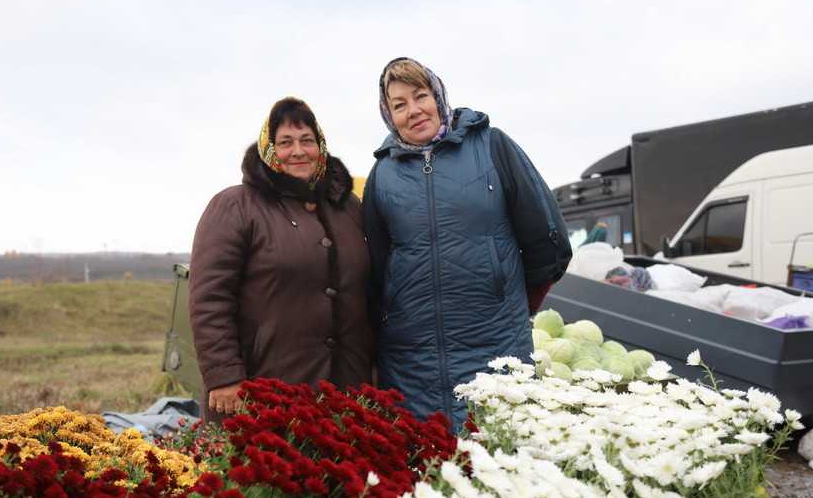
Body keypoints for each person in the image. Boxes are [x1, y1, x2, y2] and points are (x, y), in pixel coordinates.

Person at [363, 58, 572, 430]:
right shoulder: (383, 174)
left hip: (495, 347)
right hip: (413, 364)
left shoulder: (492, 147)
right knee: (423, 472)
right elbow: (377, 267)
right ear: (387, 115)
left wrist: (516, 303)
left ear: (438, 96)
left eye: (420, 96)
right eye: (399, 105)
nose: (414, 111)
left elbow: (547, 238)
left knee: (499, 461)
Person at [189, 97, 373, 424]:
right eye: (285, 142)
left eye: (307, 140)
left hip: (345, 392)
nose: (298, 151)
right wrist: (224, 375)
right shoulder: (237, 206)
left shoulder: (348, 208)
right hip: (262, 391)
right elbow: (210, 298)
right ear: (269, 148)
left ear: (321, 146)